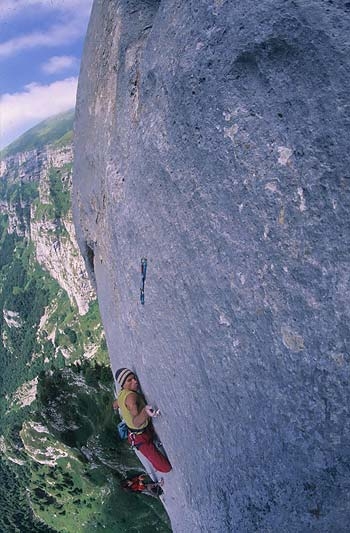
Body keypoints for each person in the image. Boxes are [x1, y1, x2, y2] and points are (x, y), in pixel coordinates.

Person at [114, 368, 172, 473]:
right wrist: (145, 411)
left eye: (134, 378)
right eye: (130, 380)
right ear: (123, 384)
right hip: (140, 437)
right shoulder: (131, 397)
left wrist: (118, 405)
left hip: (137, 434)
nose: (135, 381)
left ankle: (152, 439)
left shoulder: (122, 393)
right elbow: (136, 422)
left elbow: (116, 404)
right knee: (165, 468)